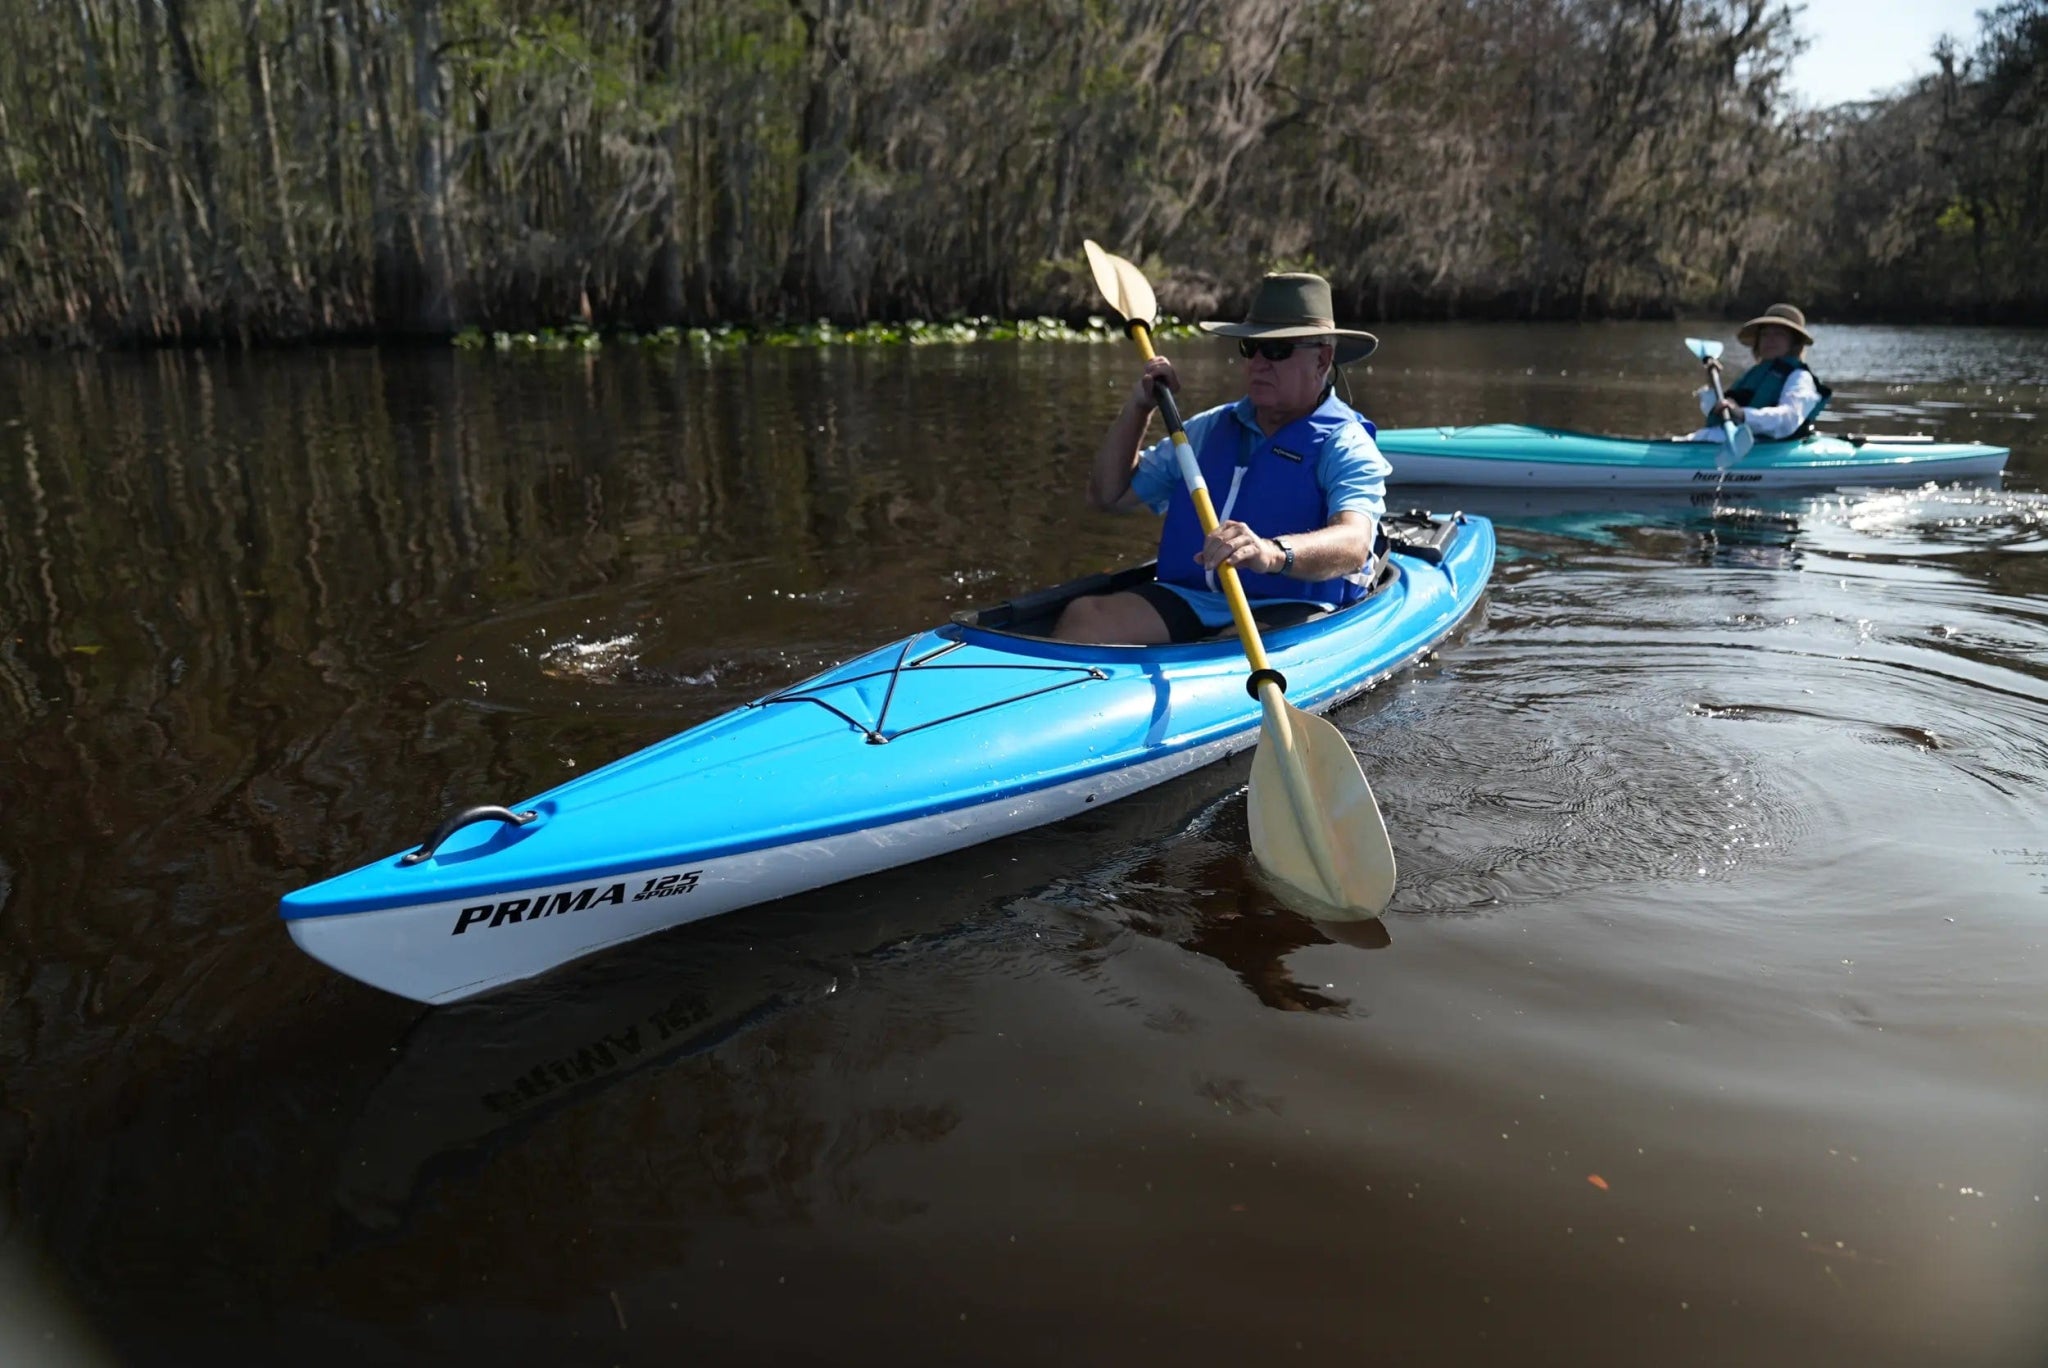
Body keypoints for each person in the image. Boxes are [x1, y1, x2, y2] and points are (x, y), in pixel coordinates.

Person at [1051, 272, 1389, 645]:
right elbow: (1108, 496)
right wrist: (1139, 407)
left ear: (1322, 360)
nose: (1259, 363)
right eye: (1250, 348)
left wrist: (1271, 552)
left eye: (1277, 350)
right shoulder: (1208, 429)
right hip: (1193, 598)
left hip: (1288, 604)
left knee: (1229, 644)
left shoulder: (1346, 443)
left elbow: (1355, 543)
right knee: (1084, 617)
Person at [1690, 302, 1832, 443]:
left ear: (1794, 343)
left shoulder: (1800, 377)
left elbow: (1788, 419)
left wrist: (1742, 414)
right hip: (1726, 440)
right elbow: (1715, 413)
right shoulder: (1754, 374)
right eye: (1765, 334)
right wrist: (1712, 386)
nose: (1770, 340)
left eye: (1778, 334)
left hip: (1767, 448)